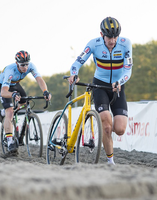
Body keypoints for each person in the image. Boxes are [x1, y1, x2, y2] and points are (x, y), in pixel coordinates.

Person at [68, 17, 133, 164]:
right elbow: (78, 61)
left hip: (118, 86)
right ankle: (110, 161)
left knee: (120, 129)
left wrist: (120, 81)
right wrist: (74, 73)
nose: (112, 40)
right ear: (101, 34)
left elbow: (128, 70)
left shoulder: (125, 44)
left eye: (115, 36)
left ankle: (109, 137)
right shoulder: (94, 44)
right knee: (106, 125)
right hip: (99, 86)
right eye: (109, 37)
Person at [0, 50, 51, 153]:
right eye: (22, 65)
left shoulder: (31, 66)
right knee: (10, 111)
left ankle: (11, 115)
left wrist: (45, 91)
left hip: (15, 84)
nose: (25, 67)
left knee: (24, 102)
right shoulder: (10, 71)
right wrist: (12, 94)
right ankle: (9, 141)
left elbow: (39, 79)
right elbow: (4, 91)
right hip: (4, 86)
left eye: (27, 64)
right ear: (17, 63)